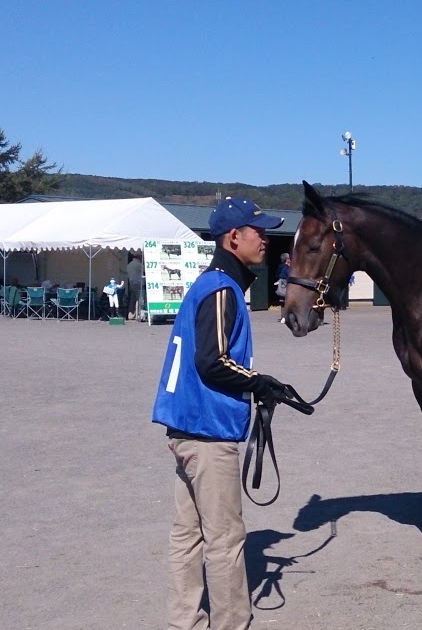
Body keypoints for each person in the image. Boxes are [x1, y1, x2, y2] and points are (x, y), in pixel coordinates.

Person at [152, 197, 295, 630]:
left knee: (188, 533)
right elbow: (212, 361)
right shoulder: (221, 289)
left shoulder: (210, 284)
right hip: (208, 430)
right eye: (259, 232)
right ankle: (232, 623)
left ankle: (185, 619)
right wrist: (260, 383)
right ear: (234, 237)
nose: (265, 240)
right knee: (225, 538)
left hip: (186, 427)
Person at [126, 254, 143, 320]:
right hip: (138, 283)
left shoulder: (129, 265)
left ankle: (130, 314)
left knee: (132, 299)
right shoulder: (139, 265)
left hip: (131, 283)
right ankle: (136, 315)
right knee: (138, 299)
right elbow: (146, 270)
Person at [276, 252, 290, 324]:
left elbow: (277, 274)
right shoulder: (286, 268)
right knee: (286, 301)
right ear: (287, 260)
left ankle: (283, 317)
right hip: (285, 286)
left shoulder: (280, 267)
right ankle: (285, 317)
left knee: (283, 302)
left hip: (282, 285)